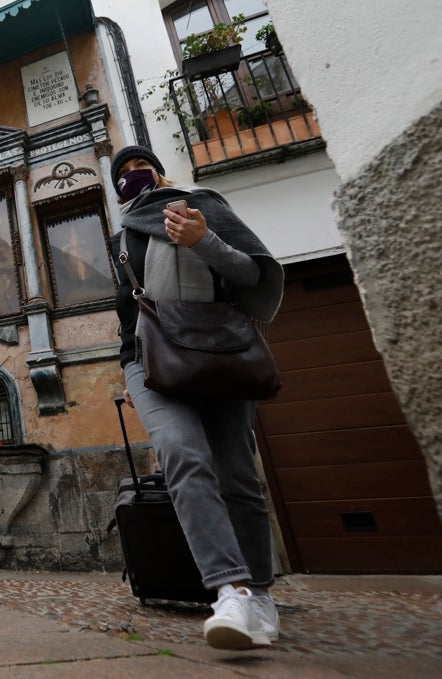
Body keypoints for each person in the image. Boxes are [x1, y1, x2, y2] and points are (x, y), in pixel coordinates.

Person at [110, 145, 285, 651]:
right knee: (183, 454)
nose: (130, 176)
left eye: (137, 167)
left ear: (158, 170)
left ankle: (262, 596)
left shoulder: (201, 204)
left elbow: (250, 274)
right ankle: (229, 590)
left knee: (237, 473)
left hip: (217, 351)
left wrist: (204, 240)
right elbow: (127, 307)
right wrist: (127, 363)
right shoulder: (121, 237)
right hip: (153, 359)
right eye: (120, 173)